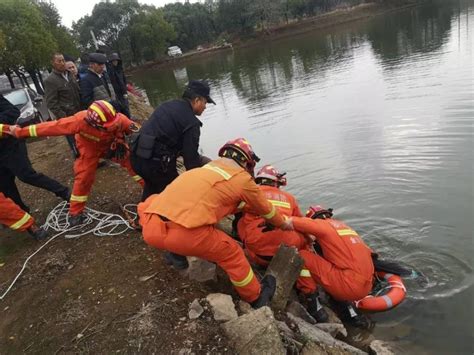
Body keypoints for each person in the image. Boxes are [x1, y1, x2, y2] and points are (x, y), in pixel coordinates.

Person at [138, 138, 294, 307]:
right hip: (185, 236)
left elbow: (213, 201)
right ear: (246, 162)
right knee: (233, 253)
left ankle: (175, 256)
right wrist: (283, 223)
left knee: (183, 215)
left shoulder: (202, 171)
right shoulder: (243, 180)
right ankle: (256, 297)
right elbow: (267, 210)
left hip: (151, 226)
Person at [8, 100, 144, 226]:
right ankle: (75, 212)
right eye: (107, 127)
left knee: (136, 166)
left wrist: (127, 143)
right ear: (92, 123)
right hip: (89, 149)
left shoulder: (121, 120)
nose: (111, 127)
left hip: (115, 146)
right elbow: (51, 127)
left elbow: (141, 135)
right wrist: (20, 132)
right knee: (83, 178)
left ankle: (151, 189)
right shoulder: (79, 121)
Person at [236, 165, 327, 322]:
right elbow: (301, 223)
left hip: (258, 254)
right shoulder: (289, 198)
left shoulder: (250, 193)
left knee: (241, 223)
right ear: (276, 182)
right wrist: (309, 241)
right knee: (302, 247)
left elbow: (235, 214)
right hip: (287, 253)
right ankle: (313, 299)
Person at [131, 80, 215, 201]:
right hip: (155, 166)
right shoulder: (192, 123)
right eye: (205, 102)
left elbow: (165, 135)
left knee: (152, 187)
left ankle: (143, 216)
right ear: (197, 100)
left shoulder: (168, 105)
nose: (205, 107)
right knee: (176, 195)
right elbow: (191, 163)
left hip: (137, 157)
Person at [293, 206, 375, 325]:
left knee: (301, 255)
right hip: (366, 286)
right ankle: (349, 310)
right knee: (337, 268)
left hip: (348, 286)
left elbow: (292, 221)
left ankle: (313, 303)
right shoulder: (345, 227)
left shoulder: (321, 226)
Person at [0, 94, 70, 213]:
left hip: (10, 145)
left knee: (26, 175)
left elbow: (13, 112)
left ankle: (63, 192)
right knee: (5, 184)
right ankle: (22, 212)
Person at [44, 53, 81, 158]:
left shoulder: (70, 74)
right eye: (59, 61)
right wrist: (63, 117)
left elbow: (78, 92)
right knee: (74, 142)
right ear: (53, 63)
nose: (62, 63)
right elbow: (51, 103)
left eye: (63, 60)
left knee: (85, 139)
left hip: (79, 113)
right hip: (68, 117)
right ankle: (80, 164)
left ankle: (91, 162)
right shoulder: (50, 81)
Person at [107, 53, 130, 118]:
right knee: (120, 108)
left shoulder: (120, 69)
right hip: (116, 93)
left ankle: (128, 119)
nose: (115, 62)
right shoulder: (109, 71)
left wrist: (125, 90)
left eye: (116, 60)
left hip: (123, 91)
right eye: (114, 61)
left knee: (126, 106)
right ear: (111, 62)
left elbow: (123, 79)